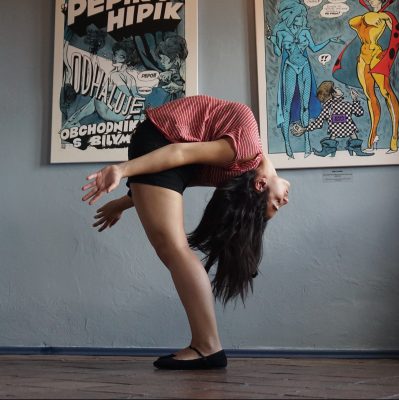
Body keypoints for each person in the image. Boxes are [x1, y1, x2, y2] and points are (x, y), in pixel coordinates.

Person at [81, 95, 291, 370]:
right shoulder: (245, 149)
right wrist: (121, 170)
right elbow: (179, 153)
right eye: (277, 204)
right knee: (174, 249)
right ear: (261, 185)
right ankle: (207, 346)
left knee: (174, 249)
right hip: (162, 139)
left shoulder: (236, 171)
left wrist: (124, 201)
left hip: (161, 145)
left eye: (277, 205)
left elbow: (173, 179)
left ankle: (207, 346)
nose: (285, 201)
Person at [268, 0, 341, 158]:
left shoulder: (305, 32)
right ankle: (287, 143)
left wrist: (329, 40)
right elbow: (278, 52)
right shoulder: (281, 32)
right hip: (290, 67)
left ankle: (307, 142)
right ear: (292, 16)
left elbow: (313, 48)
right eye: (301, 16)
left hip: (305, 67)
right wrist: (274, 41)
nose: (303, 18)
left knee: (305, 105)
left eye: (303, 15)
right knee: (287, 106)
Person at [333, 0, 398, 153]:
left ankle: (394, 137)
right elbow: (352, 22)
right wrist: (369, 18)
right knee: (370, 96)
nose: (370, 0)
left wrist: (387, 54)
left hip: (377, 56)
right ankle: (372, 137)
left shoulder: (386, 17)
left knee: (386, 93)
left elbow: (395, 35)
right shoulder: (363, 18)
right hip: (363, 58)